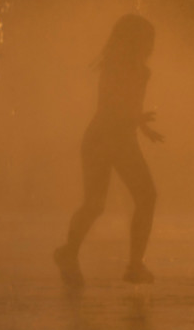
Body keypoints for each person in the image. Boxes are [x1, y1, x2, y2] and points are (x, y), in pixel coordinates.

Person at [54, 14, 162, 287]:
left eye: (152, 40)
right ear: (132, 40)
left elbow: (129, 107)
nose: (151, 45)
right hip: (106, 138)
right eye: (147, 39)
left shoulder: (141, 71)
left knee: (112, 202)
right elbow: (110, 105)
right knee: (115, 201)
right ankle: (130, 266)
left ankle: (72, 253)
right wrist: (135, 119)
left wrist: (142, 126)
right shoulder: (114, 67)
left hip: (115, 137)